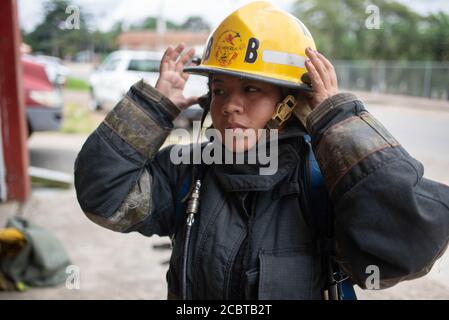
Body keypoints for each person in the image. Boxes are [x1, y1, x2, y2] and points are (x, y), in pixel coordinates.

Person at [74, 2, 449, 300]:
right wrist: (151, 108)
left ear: (291, 102)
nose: (228, 107)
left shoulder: (325, 179)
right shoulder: (189, 169)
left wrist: (337, 120)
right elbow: (103, 197)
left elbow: (410, 246)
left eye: (252, 89)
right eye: (219, 89)